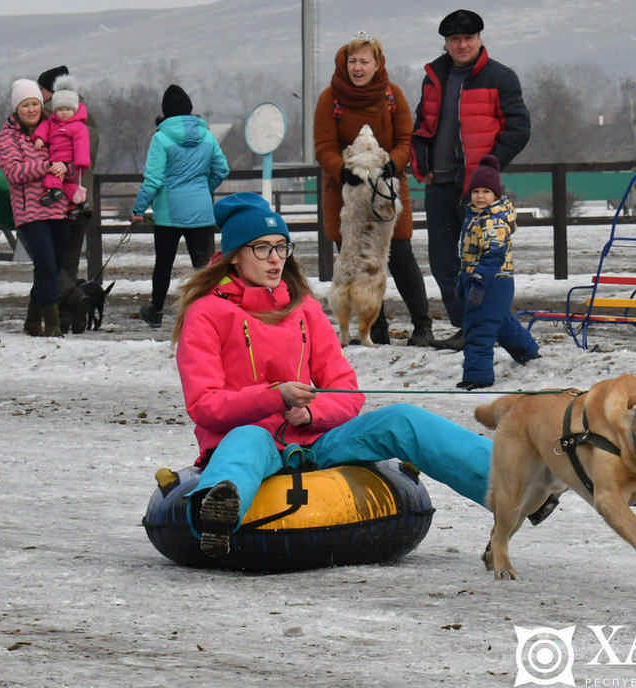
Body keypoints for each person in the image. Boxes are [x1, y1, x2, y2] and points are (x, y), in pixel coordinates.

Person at [172, 192, 492, 557]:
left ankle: (510, 481)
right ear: (235, 255)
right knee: (245, 440)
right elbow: (205, 405)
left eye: (281, 247)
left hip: (316, 440)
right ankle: (215, 515)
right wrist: (275, 397)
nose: (275, 258)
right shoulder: (207, 313)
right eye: (261, 248)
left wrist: (312, 413)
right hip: (253, 440)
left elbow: (346, 389)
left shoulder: (303, 307)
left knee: (403, 419)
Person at [411, 9, 530, 350]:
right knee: (443, 263)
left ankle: (487, 329)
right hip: (440, 184)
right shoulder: (434, 76)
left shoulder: (501, 77)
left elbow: (519, 128)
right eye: (454, 40)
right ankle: (466, 326)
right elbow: (423, 124)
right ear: (446, 43)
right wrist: (422, 161)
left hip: (479, 191)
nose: (461, 45)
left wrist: (490, 167)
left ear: (479, 39)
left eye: (467, 38)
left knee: (482, 264)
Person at [314, 32, 434, 346]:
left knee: (401, 256)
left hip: (387, 190)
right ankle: (374, 328)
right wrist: (344, 171)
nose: (357, 67)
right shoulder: (330, 99)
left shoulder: (392, 96)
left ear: (377, 64)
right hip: (345, 194)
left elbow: (406, 140)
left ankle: (422, 325)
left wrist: (392, 165)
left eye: (364, 61)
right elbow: (324, 146)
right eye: (352, 61)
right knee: (357, 258)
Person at [132, 84, 230, 327]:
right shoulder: (206, 136)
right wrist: (204, 189)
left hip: (168, 213)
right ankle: (212, 312)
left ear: (165, 112)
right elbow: (222, 170)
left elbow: (153, 179)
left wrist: (138, 209)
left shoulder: (161, 138)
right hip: (201, 211)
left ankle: (155, 310)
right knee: (205, 266)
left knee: (163, 264)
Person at [0, 78, 72, 336]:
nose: (31, 110)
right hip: (30, 213)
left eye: (35, 104)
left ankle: (31, 320)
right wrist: (46, 166)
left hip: (57, 207)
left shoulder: (55, 130)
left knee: (53, 266)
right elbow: (14, 172)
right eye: (26, 105)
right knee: (47, 265)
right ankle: (53, 324)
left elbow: (69, 157)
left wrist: (65, 167)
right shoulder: (7, 139)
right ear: (17, 109)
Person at [456, 155, 539, 389]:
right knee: (500, 321)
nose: (480, 196)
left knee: (478, 329)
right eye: (476, 191)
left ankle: (478, 377)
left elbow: (494, 254)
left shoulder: (493, 222)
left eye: (486, 192)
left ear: (496, 195)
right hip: (481, 279)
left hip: (492, 282)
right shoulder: (475, 217)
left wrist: (480, 279)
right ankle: (528, 351)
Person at [38, 64, 99, 284]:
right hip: (83, 199)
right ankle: (70, 313)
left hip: (59, 198)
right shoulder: (86, 117)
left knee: (52, 264)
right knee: (70, 262)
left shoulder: (49, 117)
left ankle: (59, 311)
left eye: (42, 91)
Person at [32, 75, 91, 211]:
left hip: (70, 162)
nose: (64, 113)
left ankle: (71, 199)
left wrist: (81, 163)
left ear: (74, 110)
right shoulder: (51, 123)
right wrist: (40, 138)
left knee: (61, 180)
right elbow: (43, 128)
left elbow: (82, 145)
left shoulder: (78, 127)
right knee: (54, 178)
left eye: (67, 109)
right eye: (60, 110)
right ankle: (57, 194)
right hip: (55, 160)